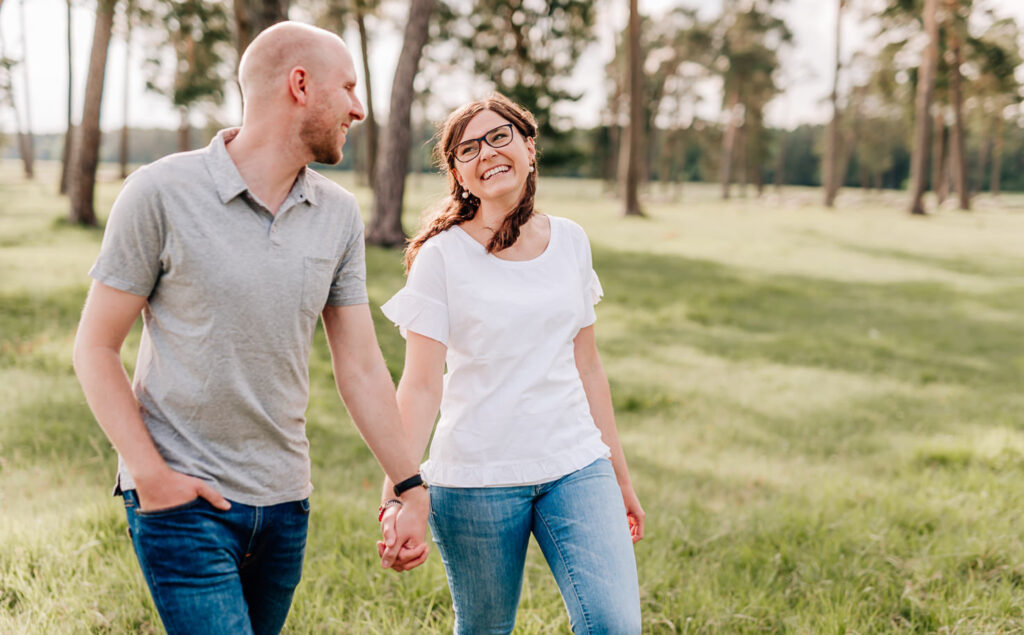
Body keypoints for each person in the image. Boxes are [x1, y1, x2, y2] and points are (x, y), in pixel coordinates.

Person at [72, 22, 428, 635]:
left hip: (286, 505)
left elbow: (363, 367)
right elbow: (95, 347)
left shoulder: (339, 215)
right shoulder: (159, 192)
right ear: (299, 85)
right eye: (347, 87)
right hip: (184, 503)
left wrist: (410, 484)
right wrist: (150, 476)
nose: (359, 108)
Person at [376, 93, 644, 634]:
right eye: (468, 148)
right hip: (476, 478)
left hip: (575, 464)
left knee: (614, 625)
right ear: (457, 173)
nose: (487, 153)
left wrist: (619, 475)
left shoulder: (570, 240)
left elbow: (587, 366)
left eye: (499, 136)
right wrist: (397, 495)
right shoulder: (441, 256)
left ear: (528, 146)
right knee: (484, 629)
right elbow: (422, 386)